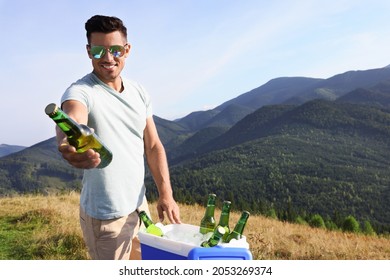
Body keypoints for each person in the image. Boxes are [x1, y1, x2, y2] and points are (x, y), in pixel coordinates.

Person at [55, 15, 181, 260]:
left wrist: (166, 194)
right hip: (106, 218)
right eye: (99, 50)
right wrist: (69, 140)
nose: (108, 58)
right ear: (89, 51)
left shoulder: (138, 91)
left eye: (115, 50)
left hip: (140, 208)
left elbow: (153, 145)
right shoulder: (81, 91)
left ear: (127, 49)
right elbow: (72, 117)